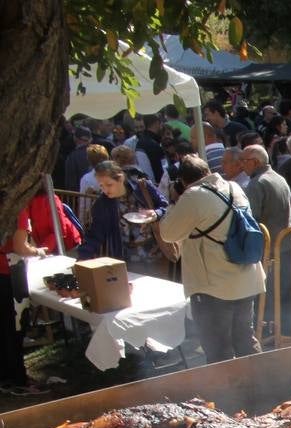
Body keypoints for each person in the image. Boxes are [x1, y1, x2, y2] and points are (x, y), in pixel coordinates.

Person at [158, 155, 265, 362]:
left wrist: (174, 202)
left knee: (218, 348)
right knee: (245, 340)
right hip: (246, 279)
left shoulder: (194, 195)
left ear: (183, 181)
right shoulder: (234, 187)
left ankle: (224, 394)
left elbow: (168, 233)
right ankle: (260, 388)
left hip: (214, 286)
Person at [1, 189, 82, 393]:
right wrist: (37, 251)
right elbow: (20, 247)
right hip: (7, 271)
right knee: (14, 327)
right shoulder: (16, 206)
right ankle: (15, 380)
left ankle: (7, 377)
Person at [78, 160, 169, 273]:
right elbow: (95, 234)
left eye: (109, 185)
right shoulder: (102, 204)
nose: (105, 190)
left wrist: (156, 214)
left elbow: (166, 207)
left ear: (120, 179)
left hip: (155, 255)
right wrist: (82, 258)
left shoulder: (142, 187)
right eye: (101, 186)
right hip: (126, 259)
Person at [241, 145, 291, 250]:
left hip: (268, 246)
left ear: (255, 162)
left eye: (244, 160)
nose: (241, 165)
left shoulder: (256, 183)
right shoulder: (279, 178)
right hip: (286, 242)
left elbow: (251, 218)